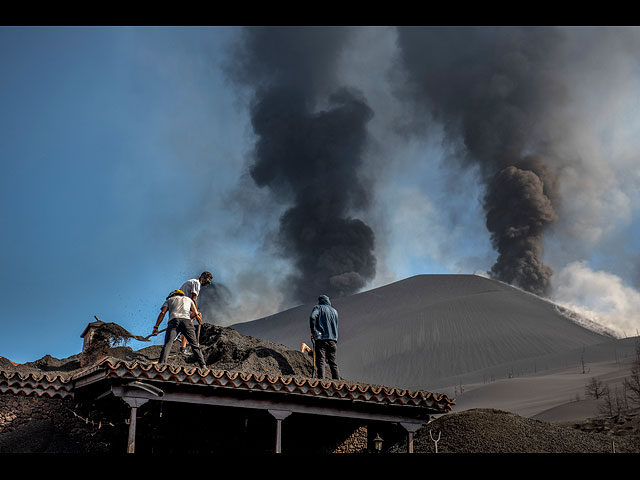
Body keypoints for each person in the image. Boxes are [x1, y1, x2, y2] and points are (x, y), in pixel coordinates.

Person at [153, 289, 207, 369]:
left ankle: (161, 364)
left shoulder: (169, 300)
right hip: (186, 321)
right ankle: (203, 366)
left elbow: (162, 313)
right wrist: (199, 319)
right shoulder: (188, 299)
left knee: (168, 343)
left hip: (173, 321)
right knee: (195, 345)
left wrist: (156, 327)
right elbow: (195, 313)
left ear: (173, 295)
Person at [177, 271, 213, 355]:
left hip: (181, 304)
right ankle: (182, 343)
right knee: (188, 324)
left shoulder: (193, 282)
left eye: (208, 283)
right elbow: (193, 298)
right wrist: (196, 313)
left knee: (189, 322)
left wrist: (195, 314)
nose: (206, 284)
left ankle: (182, 343)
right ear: (202, 277)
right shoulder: (196, 283)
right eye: (206, 281)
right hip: (182, 304)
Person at [309, 294, 341, 380]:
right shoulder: (335, 311)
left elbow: (312, 317)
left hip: (322, 339)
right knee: (333, 362)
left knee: (321, 361)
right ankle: (337, 382)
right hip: (333, 340)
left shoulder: (318, 308)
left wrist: (313, 331)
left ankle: (321, 381)